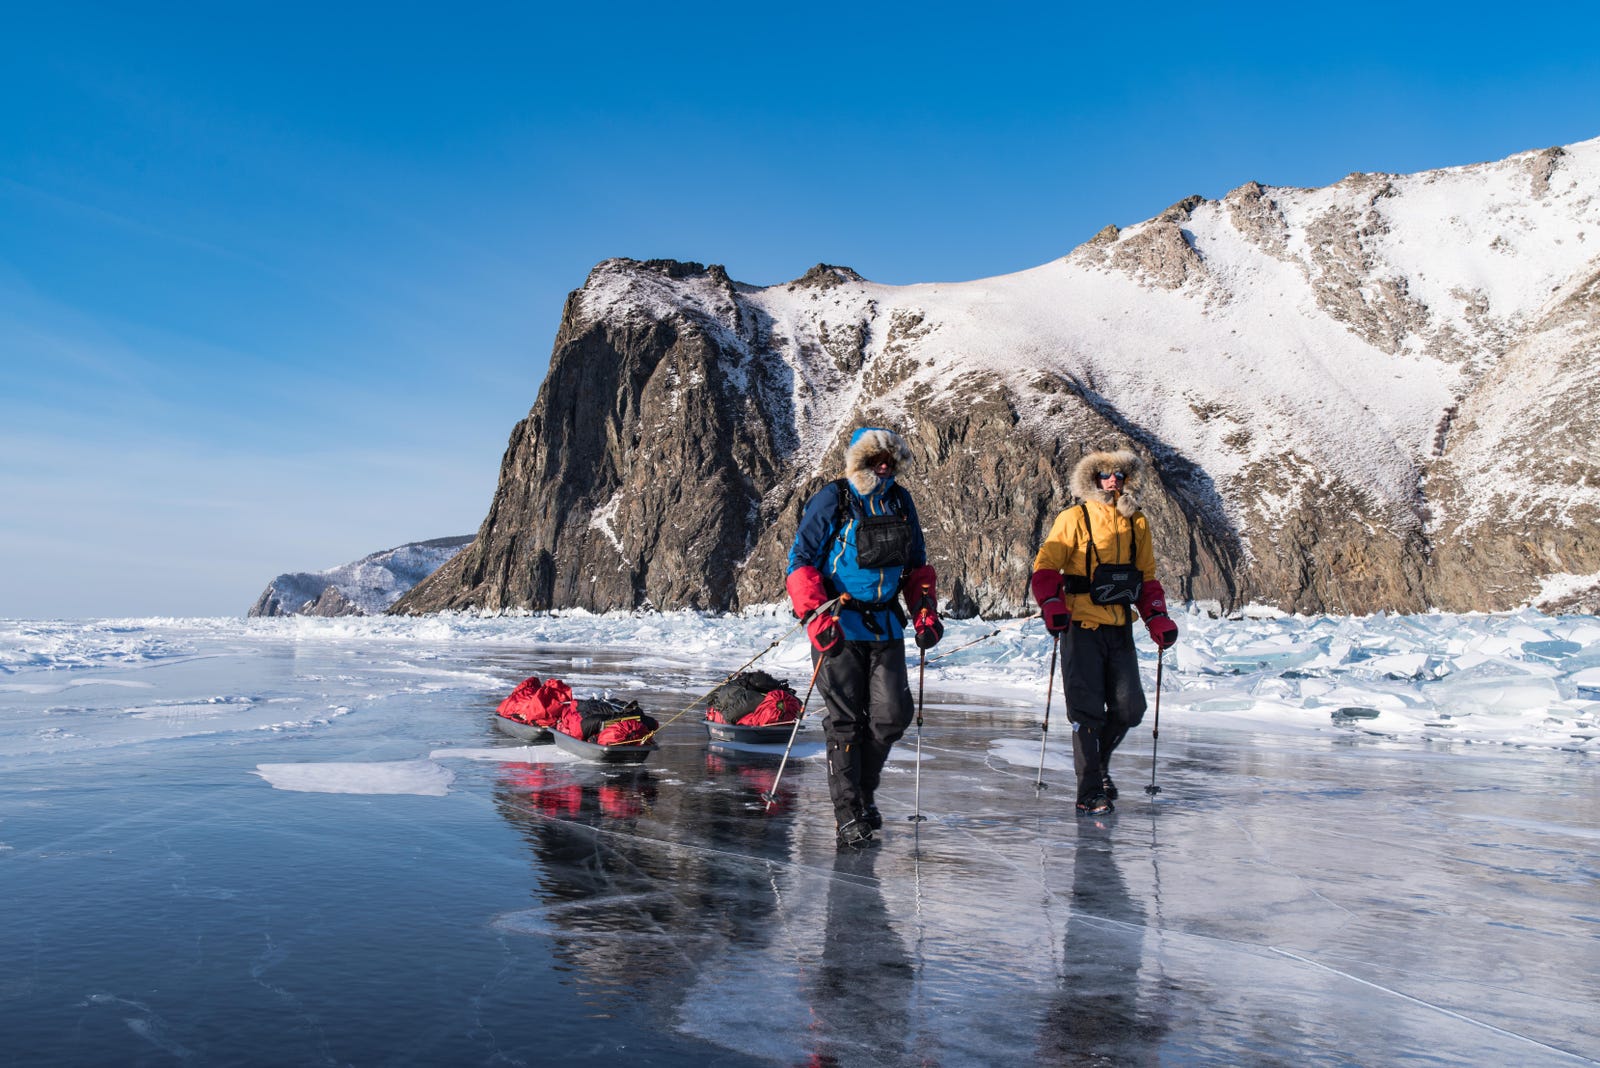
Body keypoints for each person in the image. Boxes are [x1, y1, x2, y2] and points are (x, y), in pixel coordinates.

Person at [786, 427, 943, 847]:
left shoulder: (900, 500)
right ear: (861, 460)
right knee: (845, 722)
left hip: (885, 625)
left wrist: (925, 611)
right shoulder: (834, 498)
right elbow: (800, 561)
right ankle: (849, 814)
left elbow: (916, 568)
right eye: (877, 459)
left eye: (890, 459)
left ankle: (862, 795)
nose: (885, 466)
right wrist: (816, 617)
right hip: (838, 624)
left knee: (892, 716)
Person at [1030, 449, 1177, 815]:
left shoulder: (1137, 522)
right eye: (1105, 474)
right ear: (1092, 479)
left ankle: (1098, 766)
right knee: (1087, 712)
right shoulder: (1074, 517)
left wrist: (1156, 617)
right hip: (1080, 626)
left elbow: (1146, 578)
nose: (1113, 480)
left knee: (1130, 708)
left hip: (1118, 627)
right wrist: (1052, 604)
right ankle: (1089, 791)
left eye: (1120, 475)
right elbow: (1046, 567)